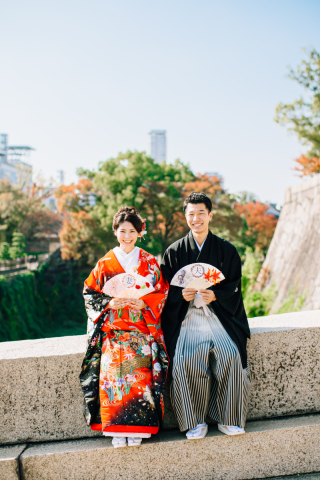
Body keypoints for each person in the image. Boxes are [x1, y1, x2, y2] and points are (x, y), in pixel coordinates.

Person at [160, 192, 251, 439]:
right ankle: (194, 421)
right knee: (184, 360)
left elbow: (234, 286)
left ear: (210, 215)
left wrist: (216, 295)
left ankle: (229, 418)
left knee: (231, 354)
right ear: (185, 217)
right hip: (188, 317)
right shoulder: (174, 252)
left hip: (218, 315)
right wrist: (181, 296)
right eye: (191, 214)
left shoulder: (226, 250)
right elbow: (165, 291)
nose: (196, 218)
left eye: (201, 213)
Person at [80, 206, 169, 448]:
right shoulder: (105, 263)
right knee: (113, 382)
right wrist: (110, 302)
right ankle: (115, 429)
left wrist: (144, 301)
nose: (127, 235)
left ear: (140, 232)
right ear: (115, 232)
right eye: (122, 231)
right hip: (114, 334)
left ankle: (140, 426)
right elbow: (90, 293)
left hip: (140, 333)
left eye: (132, 231)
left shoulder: (149, 262)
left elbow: (161, 292)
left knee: (139, 381)